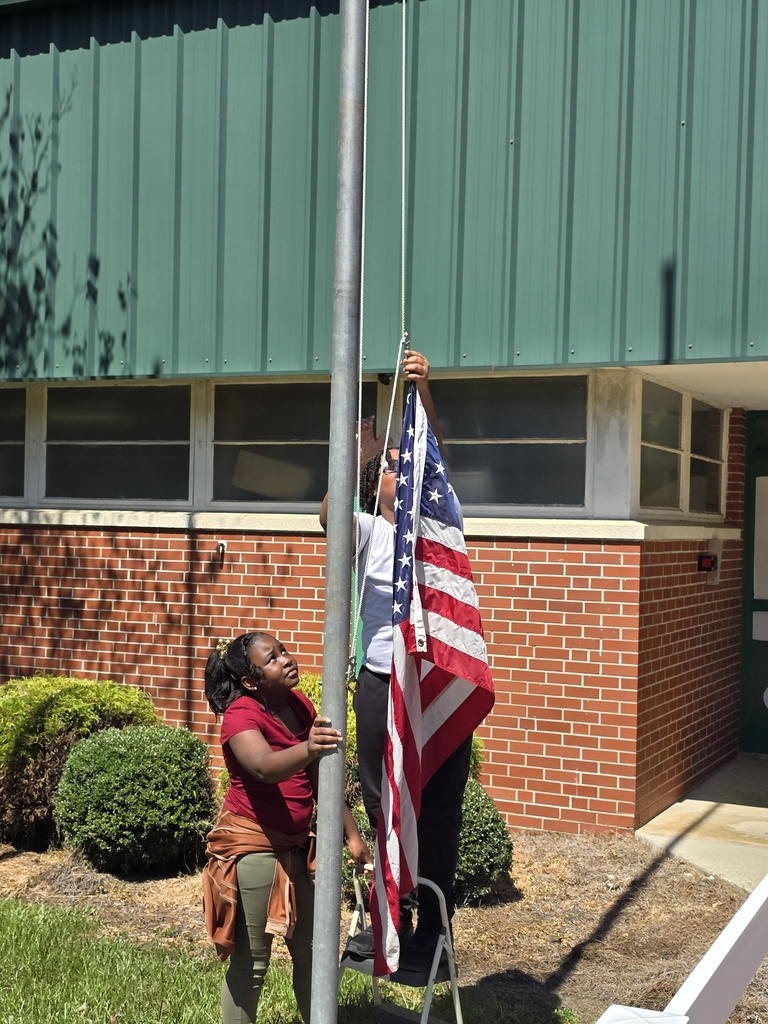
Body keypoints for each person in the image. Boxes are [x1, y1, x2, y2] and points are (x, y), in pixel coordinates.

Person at [319, 350, 473, 974]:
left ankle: (433, 929)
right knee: (385, 800)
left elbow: (436, 465)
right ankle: (387, 920)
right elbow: (330, 517)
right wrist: (354, 455)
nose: (397, 470)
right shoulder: (370, 531)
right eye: (388, 466)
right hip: (383, 681)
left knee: (438, 805)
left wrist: (424, 392)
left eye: (399, 462)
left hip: (436, 681)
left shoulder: (434, 525)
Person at [202, 631, 370, 1024]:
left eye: (284, 651)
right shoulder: (241, 715)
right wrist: (310, 746)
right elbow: (262, 766)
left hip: (296, 846)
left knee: (314, 955)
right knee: (253, 964)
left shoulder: (298, 703)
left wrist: (353, 836)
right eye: (273, 659)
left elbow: (318, 775)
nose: (287, 659)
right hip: (252, 847)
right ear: (250, 681)